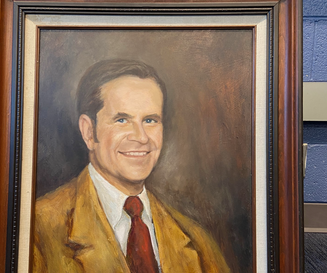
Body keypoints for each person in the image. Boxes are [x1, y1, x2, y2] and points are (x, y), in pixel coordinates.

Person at [33, 59, 230, 273]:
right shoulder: (38, 227)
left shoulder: (197, 241)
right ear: (89, 132)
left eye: (150, 120)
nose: (141, 138)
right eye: (122, 120)